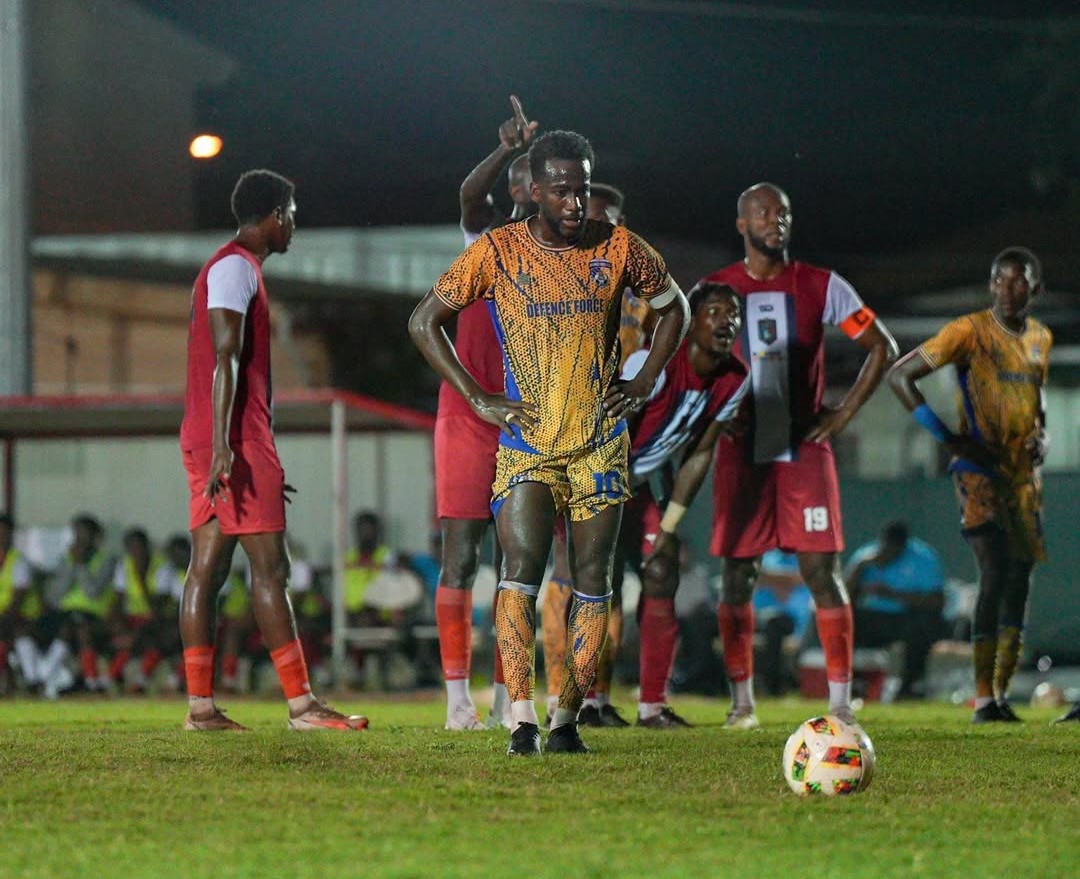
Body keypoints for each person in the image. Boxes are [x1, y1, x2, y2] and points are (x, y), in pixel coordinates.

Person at [410, 129, 690, 755]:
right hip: (530, 444)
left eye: (582, 189)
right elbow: (423, 320)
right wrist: (478, 396)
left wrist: (644, 379)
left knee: (594, 580)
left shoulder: (620, 248)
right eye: (561, 190)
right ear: (533, 190)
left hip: (599, 445)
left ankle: (566, 720)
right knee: (520, 573)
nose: (573, 201)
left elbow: (678, 310)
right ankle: (521, 718)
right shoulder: (498, 251)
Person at [695, 182, 899, 728]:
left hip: (803, 452)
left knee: (821, 571)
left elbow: (882, 345)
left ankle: (839, 703)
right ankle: (742, 703)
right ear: (741, 224)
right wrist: (709, 407)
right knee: (737, 577)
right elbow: (687, 354)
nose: (774, 219)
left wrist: (844, 414)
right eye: (762, 212)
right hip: (742, 455)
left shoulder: (821, 285)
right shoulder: (715, 288)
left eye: (782, 212)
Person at [179, 168, 366, 731]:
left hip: (217, 436)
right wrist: (229, 449)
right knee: (271, 570)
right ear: (274, 215)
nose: (294, 226)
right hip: (232, 439)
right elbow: (226, 359)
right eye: (291, 215)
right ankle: (302, 706)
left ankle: (200, 709)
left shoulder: (227, 266)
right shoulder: (236, 266)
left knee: (206, 570)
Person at [887, 246, 1052, 723]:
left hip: (1024, 478)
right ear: (990, 285)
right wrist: (952, 441)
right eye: (999, 280)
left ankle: (1000, 695)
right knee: (995, 571)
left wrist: (1043, 435)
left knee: (1020, 580)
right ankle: (983, 699)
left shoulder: (1041, 337)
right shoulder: (968, 331)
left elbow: (1035, 401)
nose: (1007, 289)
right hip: (979, 474)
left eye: (1019, 281)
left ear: (1035, 289)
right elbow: (901, 377)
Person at [434, 96, 539, 731]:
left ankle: (508, 694)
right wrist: (503, 149)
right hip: (470, 415)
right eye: (524, 175)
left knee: (518, 560)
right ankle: (455, 699)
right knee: (461, 557)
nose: (532, 185)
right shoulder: (489, 238)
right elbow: (469, 196)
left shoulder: (563, 252)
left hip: (528, 420)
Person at [543, 181, 651, 729]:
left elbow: (661, 356)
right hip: (566, 441)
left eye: (606, 219)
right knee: (569, 566)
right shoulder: (558, 281)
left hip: (627, 447)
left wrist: (642, 386)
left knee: (611, 573)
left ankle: (598, 698)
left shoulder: (641, 289)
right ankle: (565, 697)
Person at [621, 282, 748, 726]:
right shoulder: (653, 362)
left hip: (643, 482)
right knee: (595, 583)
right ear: (691, 322)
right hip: (596, 478)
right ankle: (581, 702)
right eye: (714, 311)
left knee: (662, 569)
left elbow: (699, 454)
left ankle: (651, 706)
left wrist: (669, 525)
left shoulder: (735, 376)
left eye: (733, 313)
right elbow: (611, 431)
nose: (726, 321)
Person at [845, 520, 949, 698]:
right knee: (845, 621)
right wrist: (860, 567)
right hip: (874, 618)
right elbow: (843, 598)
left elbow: (936, 601)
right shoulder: (866, 557)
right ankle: (851, 684)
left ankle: (909, 687)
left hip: (907, 618)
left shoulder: (923, 558)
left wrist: (893, 595)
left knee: (924, 623)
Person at [0, 513, 34, 691]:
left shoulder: (19, 562)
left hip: (21, 616)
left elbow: (17, 601)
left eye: (4, 533)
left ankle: (27, 680)